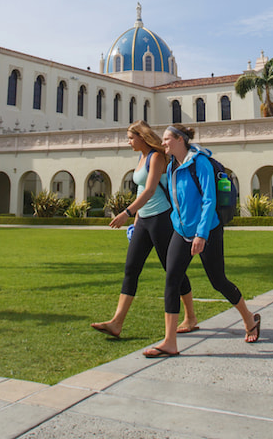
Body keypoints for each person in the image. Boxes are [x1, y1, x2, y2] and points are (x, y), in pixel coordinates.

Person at [143, 124, 259, 358]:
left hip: (208, 231)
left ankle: (249, 318)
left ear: (179, 140)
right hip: (181, 231)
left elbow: (209, 201)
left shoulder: (200, 163)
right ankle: (170, 342)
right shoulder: (173, 164)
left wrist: (202, 235)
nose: (163, 143)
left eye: (166, 139)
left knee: (218, 281)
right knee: (171, 281)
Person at [91, 121, 198, 339]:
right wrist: (137, 220)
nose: (129, 142)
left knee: (172, 269)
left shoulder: (156, 157)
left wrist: (126, 213)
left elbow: (150, 190)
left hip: (161, 219)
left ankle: (191, 317)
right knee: (131, 269)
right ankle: (117, 322)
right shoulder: (140, 158)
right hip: (144, 221)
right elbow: (141, 189)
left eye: (131, 138)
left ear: (142, 136)